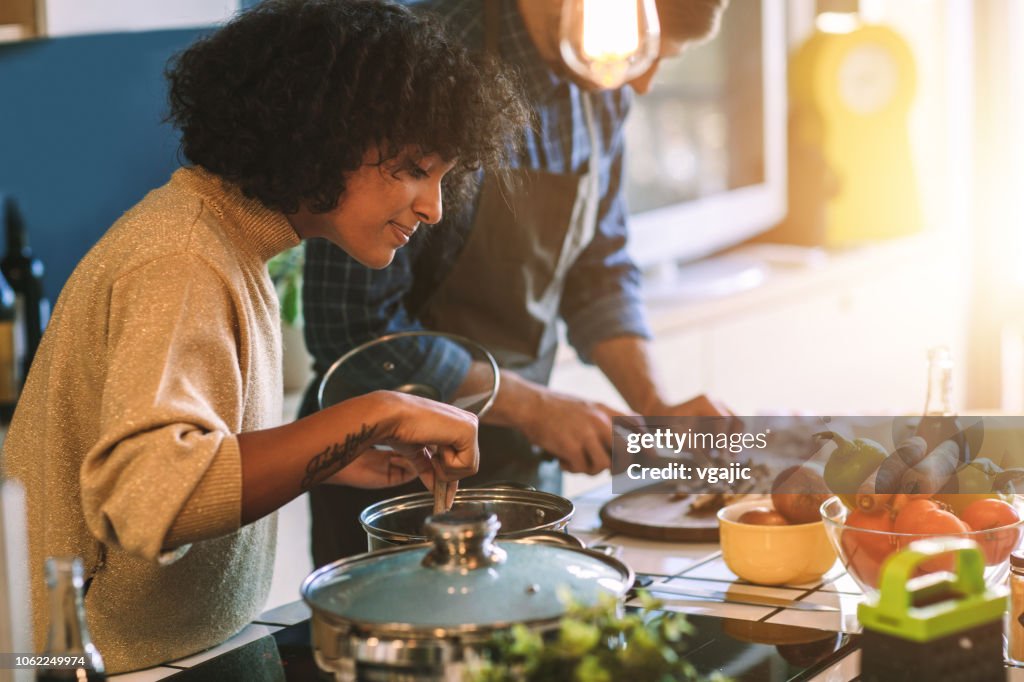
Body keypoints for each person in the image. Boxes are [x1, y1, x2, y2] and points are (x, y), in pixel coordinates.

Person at [1, 0, 527, 672]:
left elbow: (198, 452)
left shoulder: (227, 243)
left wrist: (328, 454)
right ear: (328, 135)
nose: (434, 208)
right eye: (417, 170)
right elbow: (150, 497)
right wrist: (377, 413)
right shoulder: (182, 255)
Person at [301, 0, 733, 565]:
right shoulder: (419, 59)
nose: (643, 82)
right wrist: (535, 409)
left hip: (520, 465)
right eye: (639, 50)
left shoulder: (602, 84)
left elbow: (598, 270)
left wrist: (656, 410)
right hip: (394, 477)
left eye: (653, 56)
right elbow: (355, 329)